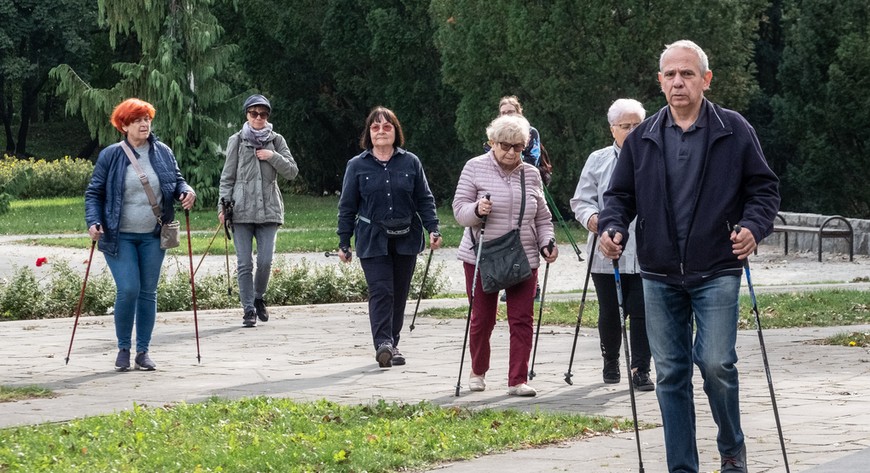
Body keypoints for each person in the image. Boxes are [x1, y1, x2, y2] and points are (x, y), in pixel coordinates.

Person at [598, 40, 780, 473]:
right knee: (672, 374)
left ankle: (732, 449)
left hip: (717, 265)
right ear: (660, 81)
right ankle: (682, 466)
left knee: (716, 362)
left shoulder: (734, 129)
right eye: (670, 75)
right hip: (659, 271)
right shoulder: (641, 138)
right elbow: (619, 196)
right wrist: (612, 227)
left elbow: (764, 189)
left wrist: (754, 227)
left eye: (688, 74)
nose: (678, 82)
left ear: (706, 79)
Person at [85, 98, 197, 371]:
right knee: (129, 289)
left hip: (153, 234)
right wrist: (94, 220)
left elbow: (176, 180)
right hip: (118, 235)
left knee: (147, 292)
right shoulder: (111, 155)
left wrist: (186, 191)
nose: (144, 123)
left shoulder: (162, 152)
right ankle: (124, 348)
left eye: (146, 118)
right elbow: (94, 193)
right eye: (137, 120)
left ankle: (143, 352)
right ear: (124, 125)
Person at [453, 114, 558, 397]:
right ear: (491, 143)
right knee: (482, 318)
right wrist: (477, 210)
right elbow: (459, 211)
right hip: (482, 255)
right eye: (505, 145)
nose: (511, 152)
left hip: (523, 255)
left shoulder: (532, 174)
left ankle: (518, 380)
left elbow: (543, 218)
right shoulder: (474, 167)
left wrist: (548, 241)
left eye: (518, 147)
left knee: (522, 319)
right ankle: (478, 370)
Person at [337, 106, 442, 368]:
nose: (381, 131)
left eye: (387, 127)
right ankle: (383, 343)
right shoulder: (357, 165)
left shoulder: (411, 162)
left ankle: (392, 343)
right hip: (373, 238)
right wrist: (343, 241)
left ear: (396, 132)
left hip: (406, 238)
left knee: (398, 292)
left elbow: (424, 199)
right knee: (381, 290)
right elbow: (347, 206)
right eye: (376, 127)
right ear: (368, 133)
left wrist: (433, 228)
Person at [570, 98, 654, 391]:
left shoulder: (655, 156)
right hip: (607, 250)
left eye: (637, 125)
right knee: (611, 310)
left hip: (645, 251)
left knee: (643, 310)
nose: (632, 131)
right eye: (625, 126)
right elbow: (581, 199)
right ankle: (611, 360)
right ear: (612, 130)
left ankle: (641, 368)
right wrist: (593, 219)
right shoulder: (599, 159)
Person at [219, 94, 299, 327]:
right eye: (254, 113)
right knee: (244, 263)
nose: (258, 118)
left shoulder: (276, 140)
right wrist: (222, 207)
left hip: (269, 209)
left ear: (267, 117)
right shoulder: (236, 140)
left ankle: (258, 297)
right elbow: (227, 177)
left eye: (263, 114)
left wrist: (273, 156)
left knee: (265, 261)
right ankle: (248, 310)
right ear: (247, 115)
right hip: (240, 210)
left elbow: (292, 171)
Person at [488, 96, 551, 302]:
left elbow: (533, 156)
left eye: (510, 111)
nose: (506, 115)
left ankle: (534, 286)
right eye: (503, 112)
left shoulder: (530, 131)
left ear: (519, 112)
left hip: (526, 181)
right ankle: (507, 281)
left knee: (527, 235)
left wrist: (514, 156)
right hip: (502, 185)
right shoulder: (496, 131)